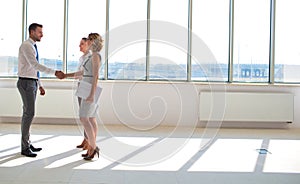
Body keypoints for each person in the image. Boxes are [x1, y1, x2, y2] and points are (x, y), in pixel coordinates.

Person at [17, 23, 65, 157]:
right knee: (29, 114)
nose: (42, 35)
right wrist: (54, 72)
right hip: (26, 82)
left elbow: (33, 69)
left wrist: (40, 84)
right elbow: (35, 65)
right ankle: (24, 147)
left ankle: (27, 143)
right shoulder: (26, 46)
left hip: (31, 82)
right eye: (39, 32)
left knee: (28, 113)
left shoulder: (32, 46)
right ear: (32, 32)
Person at [78, 33, 103, 160]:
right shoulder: (91, 55)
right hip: (86, 87)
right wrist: (66, 76)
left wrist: (92, 94)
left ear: (95, 41)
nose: (88, 41)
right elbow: (84, 72)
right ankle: (91, 148)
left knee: (84, 118)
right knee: (91, 118)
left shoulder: (95, 56)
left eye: (90, 39)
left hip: (89, 89)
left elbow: (96, 76)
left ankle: (93, 147)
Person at [64, 37, 90, 150]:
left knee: (86, 116)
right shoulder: (81, 58)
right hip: (81, 86)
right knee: (83, 115)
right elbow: (80, 75)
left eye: (82, 44)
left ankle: (89, 140)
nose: (80, 46)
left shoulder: (90, 58)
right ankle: (85, 139)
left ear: (88, 45)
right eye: (80, 44)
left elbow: (82, 73)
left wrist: (65, 75)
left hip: (87, 87)